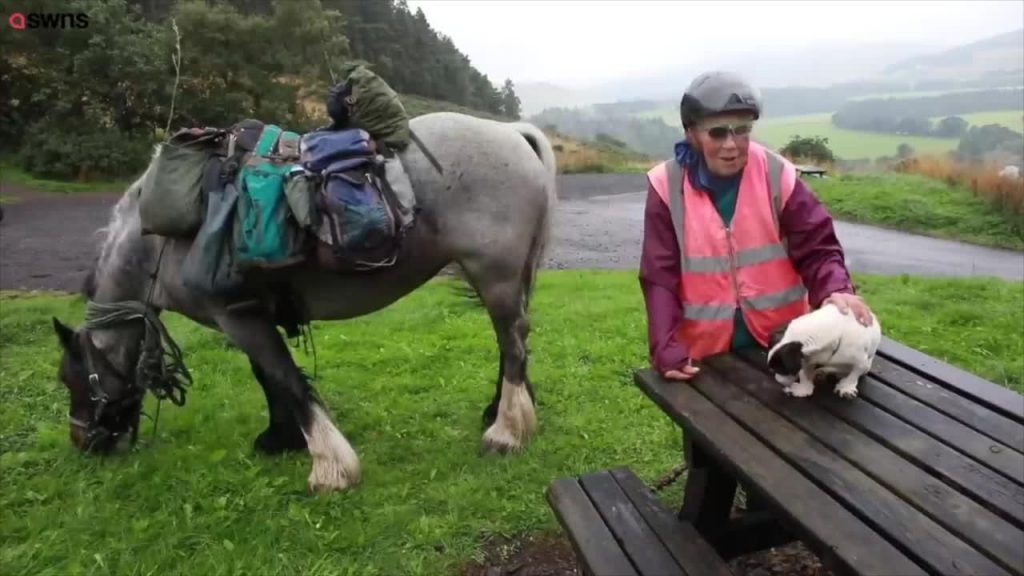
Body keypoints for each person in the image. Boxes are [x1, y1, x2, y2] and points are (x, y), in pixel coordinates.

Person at [639, 71, 874, 381]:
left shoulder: (777, 173)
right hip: (706, 357)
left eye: (742, 130)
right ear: (692, 132)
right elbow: (660, 277)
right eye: (718, 132)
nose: (731, 145)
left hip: (785, 349)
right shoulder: (665, 186)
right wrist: (665, 346)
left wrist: (835, 288)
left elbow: (818, 246)